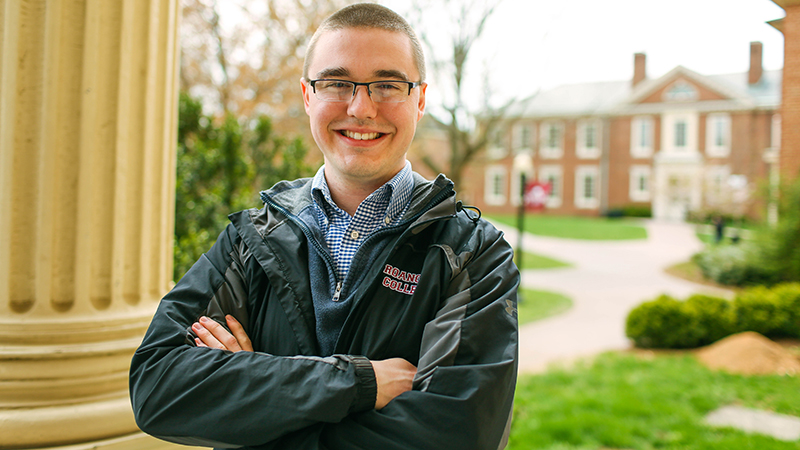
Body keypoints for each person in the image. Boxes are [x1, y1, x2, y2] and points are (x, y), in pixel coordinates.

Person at [129, 3, 519, 449]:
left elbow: (459, 435)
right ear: (307, 95)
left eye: (388, 85)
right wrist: (359, 382)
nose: (361, 107)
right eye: (337, 83)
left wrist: (256, 397)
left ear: (420, 99)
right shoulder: (251, 239)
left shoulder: (471, 254)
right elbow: (157, 386)